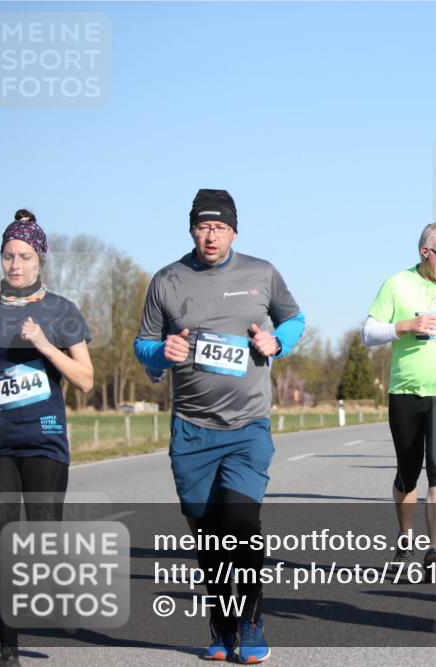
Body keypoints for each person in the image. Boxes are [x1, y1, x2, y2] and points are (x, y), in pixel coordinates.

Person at [134, 189, 305, 662]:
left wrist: (277, 342)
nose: (212, 236)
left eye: (221, 227)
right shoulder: (167, 280)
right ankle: (222, 620)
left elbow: (294, 319)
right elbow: (143, 343)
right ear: (192, 230)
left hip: (248, 424)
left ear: (234, 231)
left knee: (242, 522)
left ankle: (251, 620)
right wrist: (160, 352)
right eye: (203, 227)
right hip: (192, 428)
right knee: (207, 533)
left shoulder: (261, 274)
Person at [0, 211, 94, 667]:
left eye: (24, 256)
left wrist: (45, 345)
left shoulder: (61, 311)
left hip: (45, 442)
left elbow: (85, 380)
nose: (15, 265)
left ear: (40, 260)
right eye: (8, 256)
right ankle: (8, 652)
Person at [361, 222, 436, 581]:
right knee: (407, 473)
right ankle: (406, 540)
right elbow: (368, 332)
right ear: (424, 252)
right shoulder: (396, 284)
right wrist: (406, 326)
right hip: (405, 391)